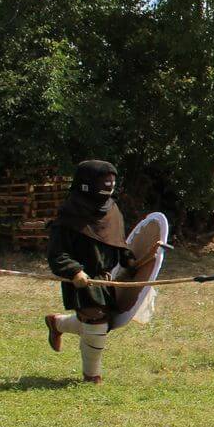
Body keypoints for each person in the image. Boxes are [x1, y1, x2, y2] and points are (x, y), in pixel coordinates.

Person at [44, 161, 131, 383]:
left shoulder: (111, 209)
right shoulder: (70, 215)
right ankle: (92, 376)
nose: (109, 184)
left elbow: (117, 240)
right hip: (83, 279)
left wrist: (129, 258)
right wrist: (74, 271)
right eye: (104, 180)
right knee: (95, 321)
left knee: (101, 321)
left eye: (111, 179)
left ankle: (57, 323)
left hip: (107, 279)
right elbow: (57, 253)